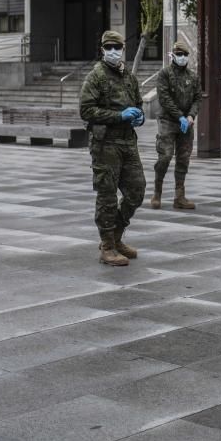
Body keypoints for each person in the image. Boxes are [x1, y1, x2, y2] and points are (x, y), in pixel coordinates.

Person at [79, 30, 147, 266]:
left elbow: (138, 103)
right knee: (107, 197)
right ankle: (107, 246)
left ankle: (116, 236)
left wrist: (139, 116)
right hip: (105, 144)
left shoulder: (128, 76)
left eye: (117, 47)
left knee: (137, 191)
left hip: (128, 141)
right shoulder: (95, 77)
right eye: (109, 48)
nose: (113, 52)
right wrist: (119, 115)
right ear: (102, 50)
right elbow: (86, 111)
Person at [151, 40, 202, 210]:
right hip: (168, 121)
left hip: (186, 123)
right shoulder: (165, 74)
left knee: (183, 159)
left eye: (185, 54)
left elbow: (197, 98)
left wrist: (190, 116)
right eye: (178, 54)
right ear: (173, 55)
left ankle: (179, 197)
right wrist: (180, 116)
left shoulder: (192, 76)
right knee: (165, 156)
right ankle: (157, 193)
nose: (182, 57)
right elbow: (164, 98)